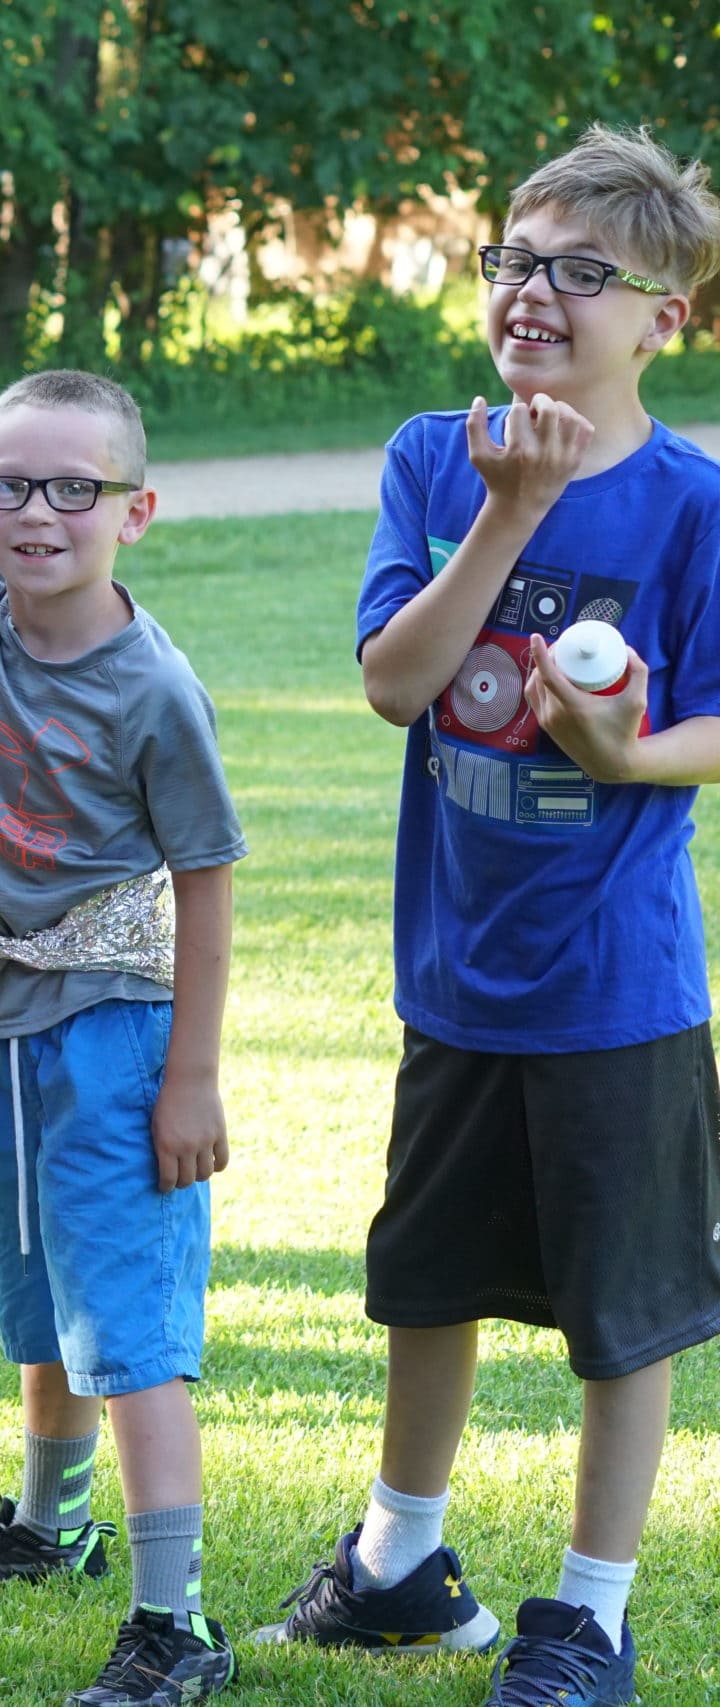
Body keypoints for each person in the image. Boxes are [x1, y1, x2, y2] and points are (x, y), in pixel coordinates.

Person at [255, 126, 720, 1707]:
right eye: (516, 257)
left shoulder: (689, 503)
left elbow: (712, 719)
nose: (535, 291)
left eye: (585, 272)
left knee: (622, 1311)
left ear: (667, 314)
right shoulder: (430, 454)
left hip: (616, 984)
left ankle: (590, 1613)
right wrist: (509, 511)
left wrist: (624, 751)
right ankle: (397, 1565)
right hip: (456, 973)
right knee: (429, 1276)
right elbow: (397, 681)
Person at [0, 373, 245, 1707]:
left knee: (133, 1329)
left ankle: (177, 1619)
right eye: (10, 485)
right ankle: (53, 1524)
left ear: (134, 510)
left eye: (74, 487)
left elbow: (208, 875)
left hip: (119, 1034)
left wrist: (191, 1076)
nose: (40, 511)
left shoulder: (152, 686)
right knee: (35, 1290)